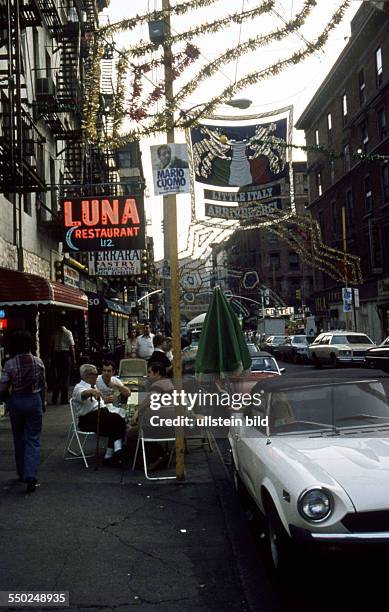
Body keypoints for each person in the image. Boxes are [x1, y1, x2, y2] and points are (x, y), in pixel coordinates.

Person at [0, 330, 46, 493]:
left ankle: (21, 472)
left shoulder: (10, 364)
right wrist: (43, 402)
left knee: (18, 437)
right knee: (33, 438)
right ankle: (31, 474)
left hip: (17, 401)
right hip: (34, 400)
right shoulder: (38, 362)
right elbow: (43, 385)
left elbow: (3, 386)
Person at [72, 364, 126, 466]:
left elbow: (98, 403)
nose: (98, 376)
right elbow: (82, 394)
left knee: (118, 419)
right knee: (116, 420)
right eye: (96, 373)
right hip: (88, 419)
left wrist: (105, 400)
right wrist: (91, 391)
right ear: (88, 376)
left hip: (101, 415)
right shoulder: (79, 387)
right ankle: (117, 451)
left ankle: (110, 455)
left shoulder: (94, 385)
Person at [127, 362, 174, 471]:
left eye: (149, 372)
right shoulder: (169, 383)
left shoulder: (157, 385)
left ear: (157, 373)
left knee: (130, 433)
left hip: (157, 429)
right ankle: (160, 454)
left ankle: (155, 457)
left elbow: (152, 398)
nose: (147, 375)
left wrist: (137, 412)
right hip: (171, 428)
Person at [50, 317, 75, 405]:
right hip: (65, 355)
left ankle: (54, 398)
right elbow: (71, 347)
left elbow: (51, 345)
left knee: (57, 378)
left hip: (57, 356)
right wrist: (74, 359)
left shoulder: (54, 333)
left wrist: (52, 357)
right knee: (65, 377)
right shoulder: (68, 333)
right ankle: (64, 399)